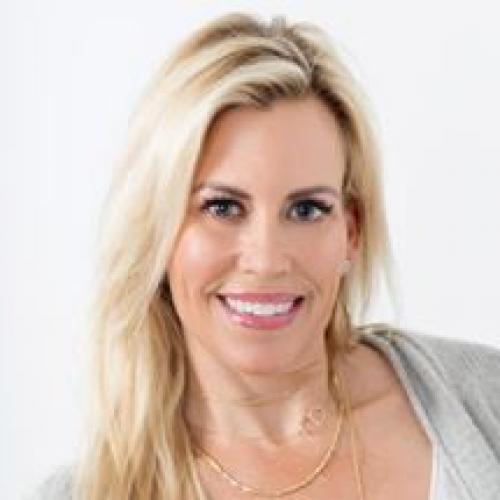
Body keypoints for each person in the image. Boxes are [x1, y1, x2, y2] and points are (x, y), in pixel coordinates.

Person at [32, 12, 500, 500]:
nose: (267, 259)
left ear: (351, 231)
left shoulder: (483, 400)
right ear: (156, 231)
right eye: (222, 207)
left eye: (306, 209)